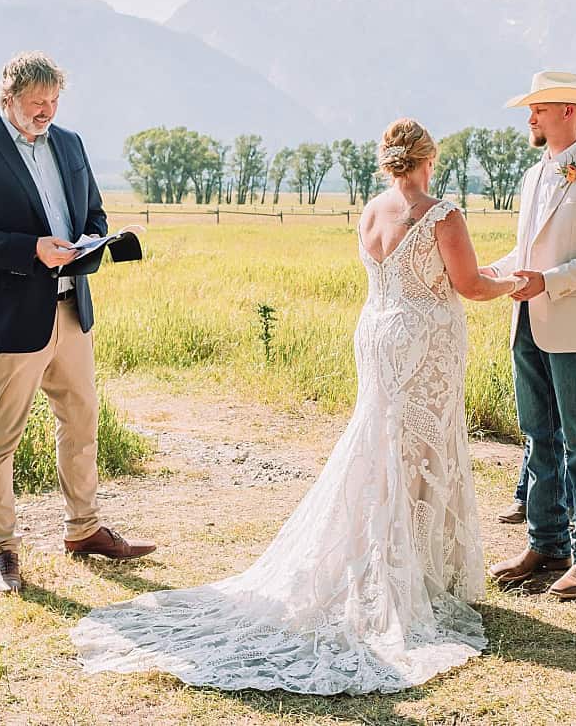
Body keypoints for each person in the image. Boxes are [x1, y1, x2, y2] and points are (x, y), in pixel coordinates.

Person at [71, 119, 520, 693]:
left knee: (381, 446)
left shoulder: (372, 210)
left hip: (377, 335)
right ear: (430, 159)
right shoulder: (441, 214)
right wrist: (513, 280)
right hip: (422, 344)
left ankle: (396, 563)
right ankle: (411, 576)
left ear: (388, 162)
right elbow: (470, 286)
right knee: (420, 448)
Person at [0, 51, 156, 595]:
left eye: (54, 101)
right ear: (7, 97)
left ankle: (83, 531)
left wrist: (93, 241)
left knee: (82, 423)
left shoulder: (71, 144)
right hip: (11, 319)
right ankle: (0, 550)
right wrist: (31, 250)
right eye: (38, 102)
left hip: (70, 310)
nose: (47, 111)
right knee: (0, 437)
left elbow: (95, 213)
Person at [483, 71, 576, 601]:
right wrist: (482, 275)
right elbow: (525, 254)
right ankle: (544, 545)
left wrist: (551, 282)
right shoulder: (531, 177)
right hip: (525, 323)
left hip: (573, 324)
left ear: (568, 109)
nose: (530, 118)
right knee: (536, 436)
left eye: (538, 108)